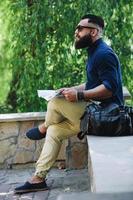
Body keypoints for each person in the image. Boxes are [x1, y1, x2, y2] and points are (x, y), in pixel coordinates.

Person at [14, 14, 123, 194]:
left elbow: (109, 89)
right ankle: (38, 179)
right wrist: (71, 89)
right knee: (55, 131)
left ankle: (44, 126)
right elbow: (93, 83)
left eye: (80, 28)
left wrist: (79, 95)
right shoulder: (95, 51)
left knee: (56, 102)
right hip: (93, 114)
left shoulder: (104, 54)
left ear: (94, 32)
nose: (76, 31)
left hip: (106, 115)